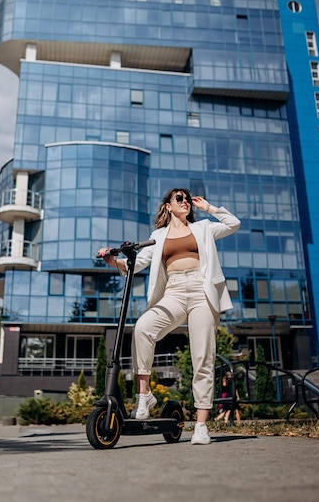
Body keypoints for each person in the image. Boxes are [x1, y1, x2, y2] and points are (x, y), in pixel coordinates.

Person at [98, 187, 240, 445]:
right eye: (179, 198)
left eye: (187, 199)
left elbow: (233, 223)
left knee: (202, 356)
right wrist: (111, 261)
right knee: (143, 328)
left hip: (201, 291)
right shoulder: (158, 236)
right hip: (173, 292)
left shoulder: (204, 228)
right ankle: (144, 396)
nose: (185, 202)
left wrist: (208, 207)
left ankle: (200, 425)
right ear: (167, 206)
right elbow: (135, 265)